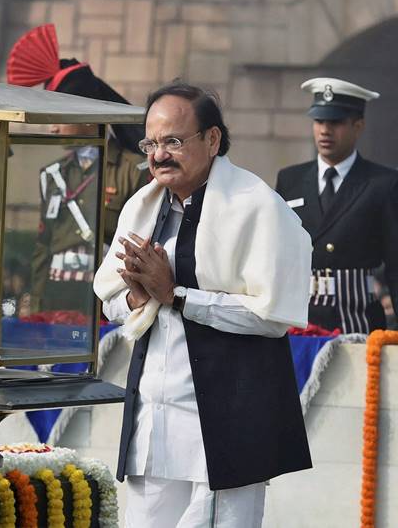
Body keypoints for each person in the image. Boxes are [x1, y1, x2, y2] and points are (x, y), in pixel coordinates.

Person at [93, 82, 312, 527]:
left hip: (224, 421)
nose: (159, 155)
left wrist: (175, 295)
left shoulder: (258, 209)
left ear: (212, 140)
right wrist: (140, 294)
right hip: (153, 421)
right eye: (151, 143)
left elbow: (271, 317)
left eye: (173, 141)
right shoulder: (142, 206)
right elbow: (111, 300)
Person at [6, 23, 149, 313]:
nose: (53, 128)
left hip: (104, 300)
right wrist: (35, 305)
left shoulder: (132, 171)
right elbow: (43, 248)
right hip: (57, 298)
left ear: (87, 115)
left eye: (59, 116)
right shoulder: (52, 175)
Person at [276, 77, 398, 334]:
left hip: (357, 318)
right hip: (299, 320)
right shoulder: (290, 180)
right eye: (319, 121)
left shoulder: (383, 183)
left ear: (358, 126)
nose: (325, 131)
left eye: (336, 122)